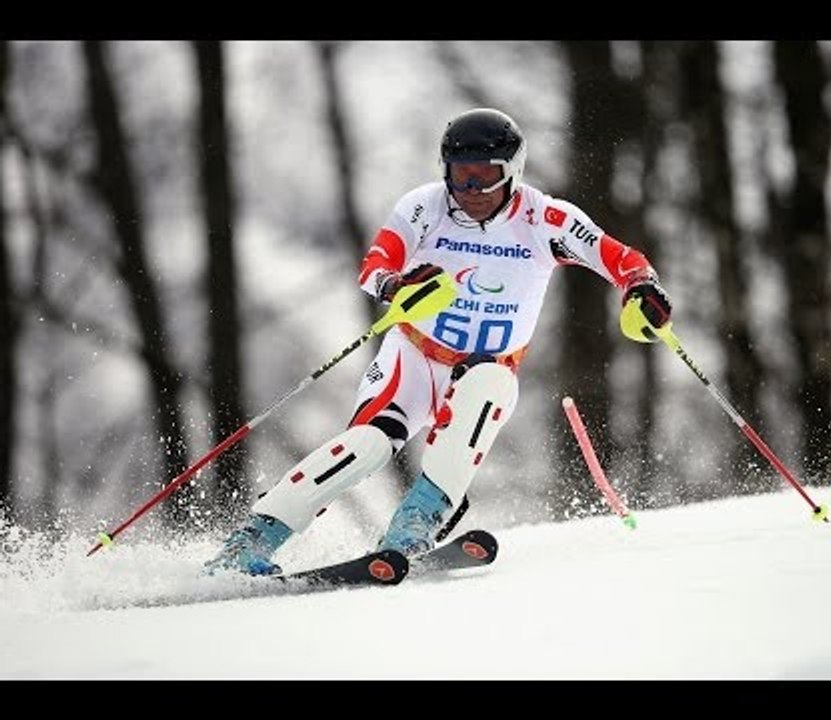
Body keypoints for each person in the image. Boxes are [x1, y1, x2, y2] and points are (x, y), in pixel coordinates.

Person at [205, 108, 672, 576]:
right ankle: (252, 540)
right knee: (367, 445)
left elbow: (622, 260)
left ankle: (414, 527)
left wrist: (642, 288)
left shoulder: (545, 219)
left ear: (512, 172)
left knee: (492, 384)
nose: (469, 191)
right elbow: (374, 268)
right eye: (459, 176)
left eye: (485, 177)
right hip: (412, 359)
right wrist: (397, 285)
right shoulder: (424, 206)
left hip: (483, 369)